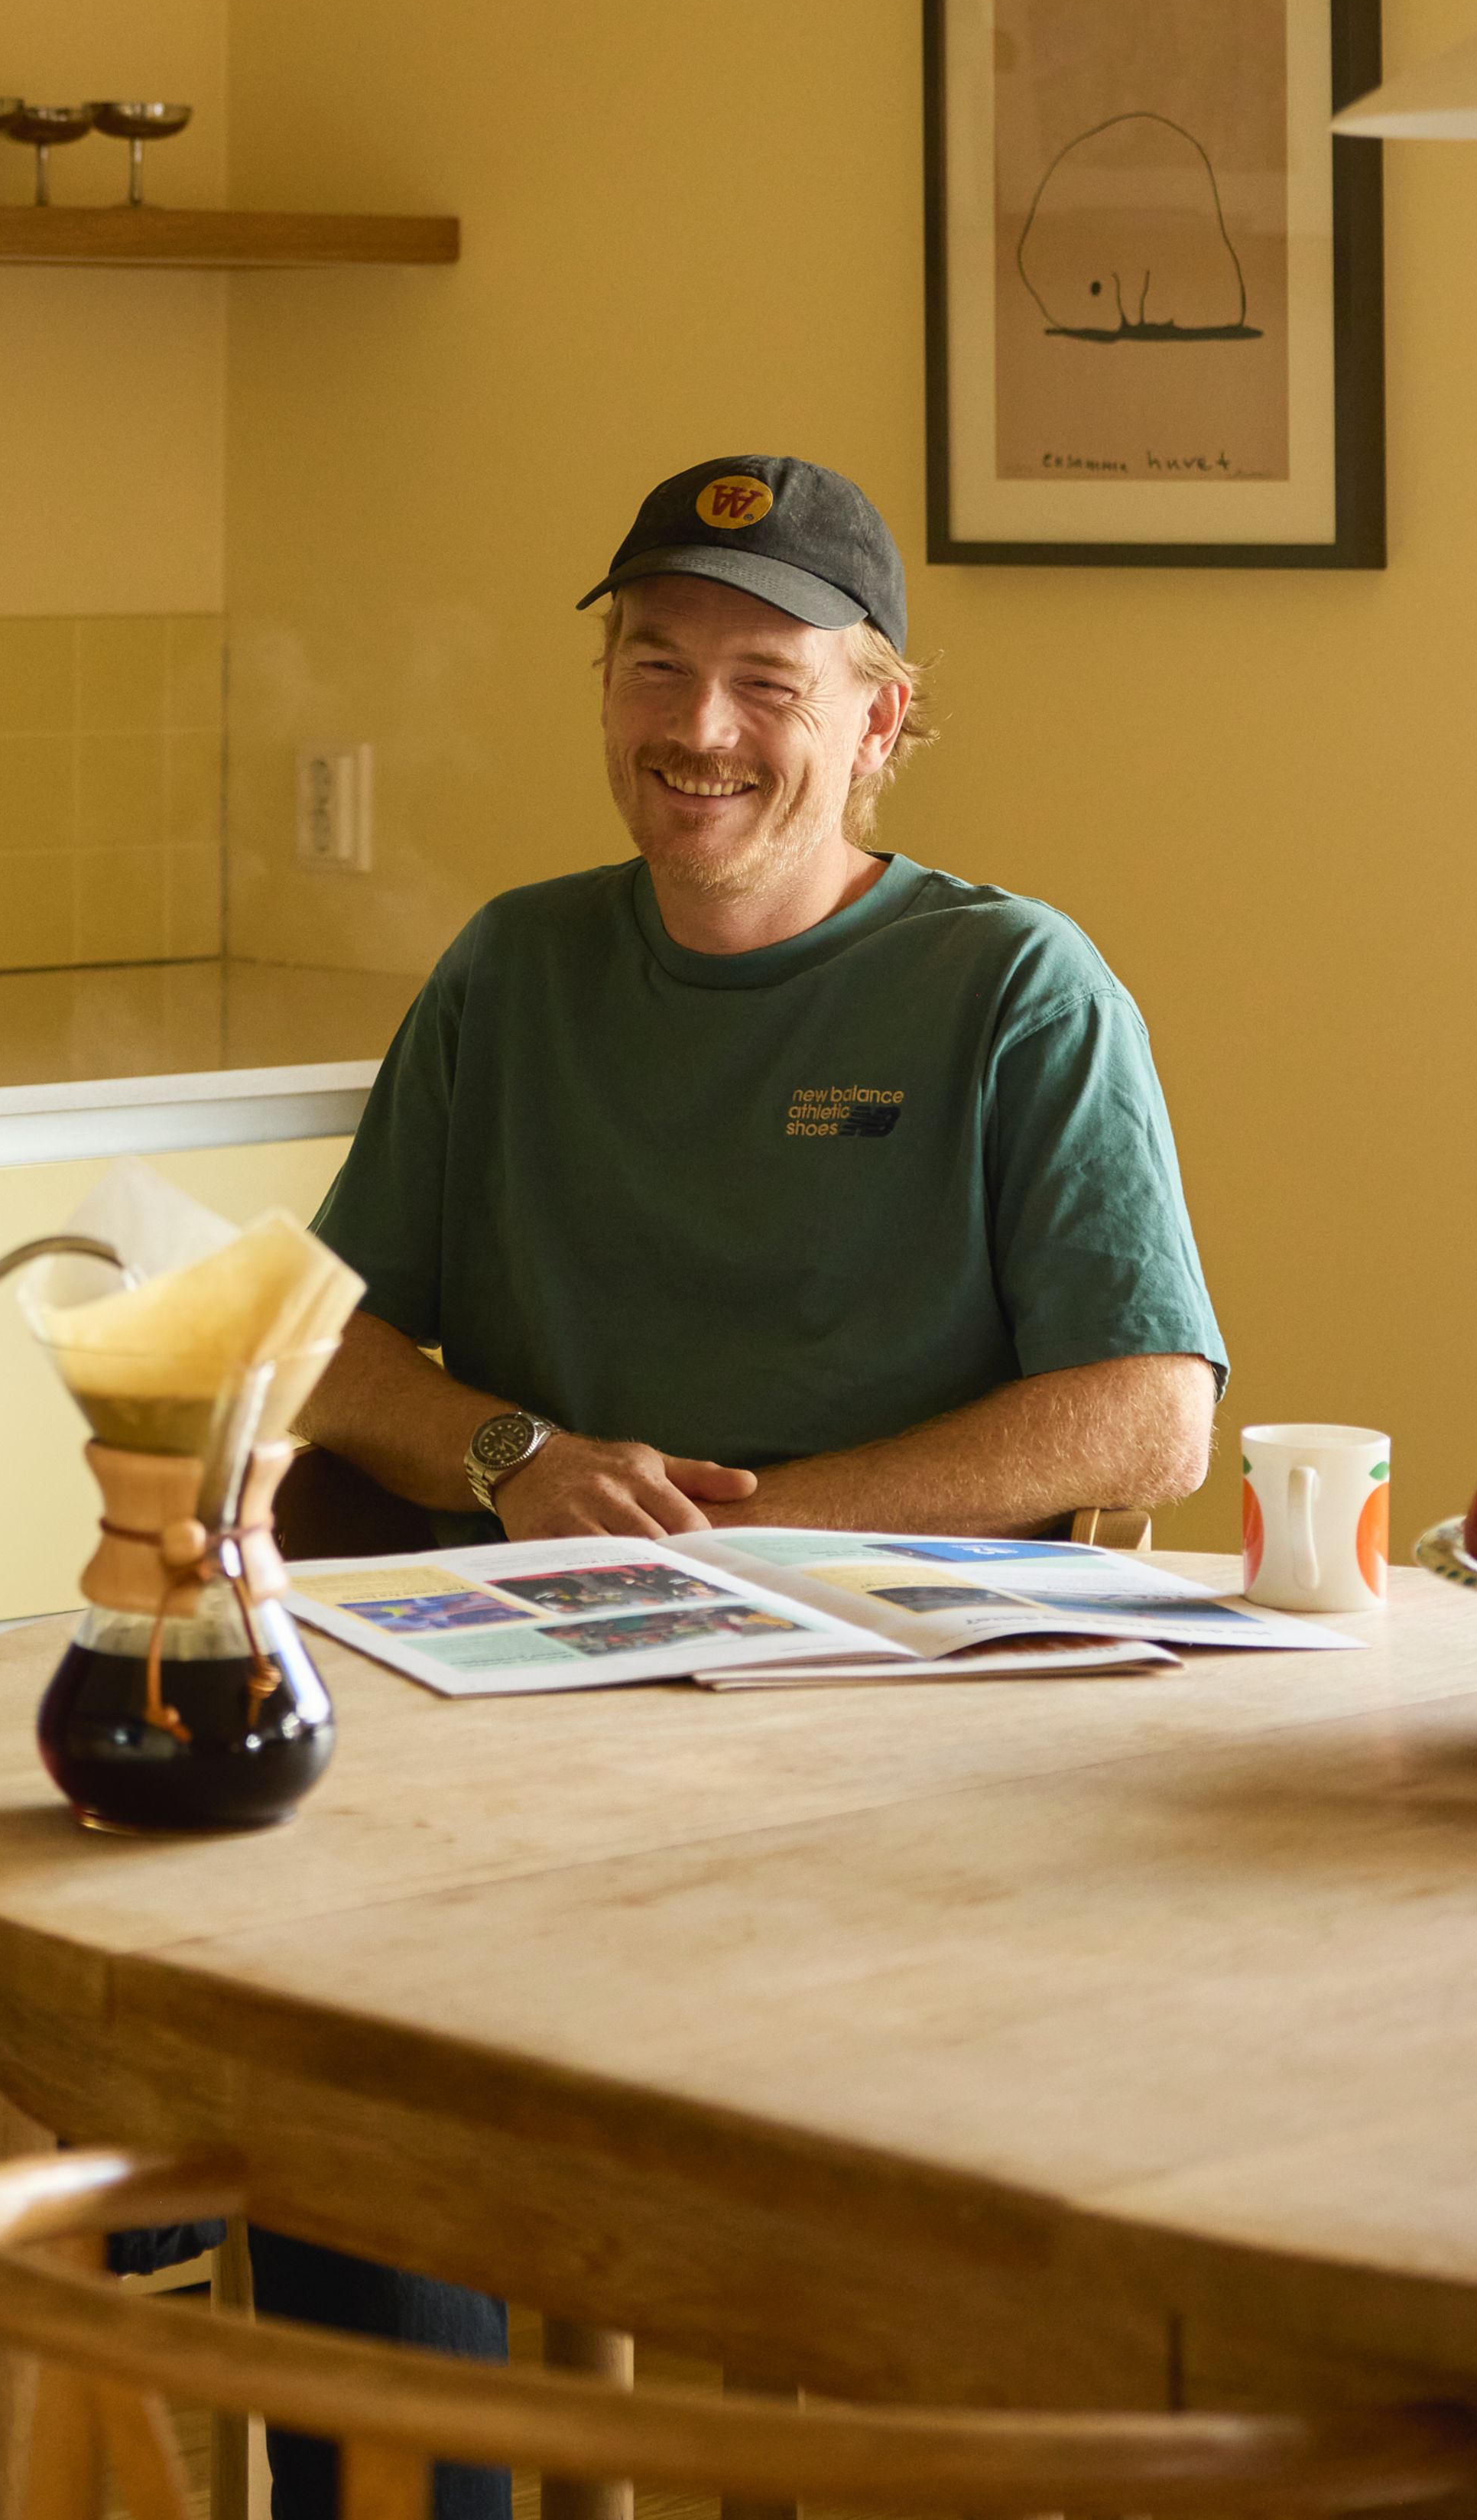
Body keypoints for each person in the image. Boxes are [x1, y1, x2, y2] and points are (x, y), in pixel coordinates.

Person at [262, 450, 1224, 2516]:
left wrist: (781, 1513)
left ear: (882, 721)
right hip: (524, 1715)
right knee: (300, 2029)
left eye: (766, 682)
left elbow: (1153, 1417)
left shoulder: (1009, 991)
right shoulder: (514, 976)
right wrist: (510, 1457)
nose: (696, 729)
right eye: (653, 665)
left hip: (891, 1750)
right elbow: (318, 1346)